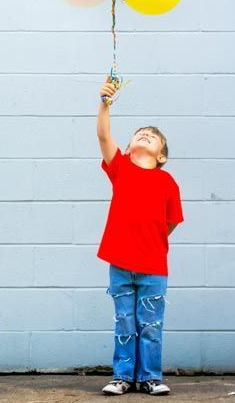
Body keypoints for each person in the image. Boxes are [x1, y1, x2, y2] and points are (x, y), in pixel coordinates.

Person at [95, 76, 183, 396]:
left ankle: (149, 376)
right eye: (140, 133)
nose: (145, 134)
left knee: (150, 325)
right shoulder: (120, 169)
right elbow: (104, 135)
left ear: (161, 155)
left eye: (153, 136)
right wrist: (104, 102)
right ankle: (122, 376)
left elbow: (171, 222)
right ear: (129, 147)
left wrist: (150, 239)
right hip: (120, 264)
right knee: (125, 324)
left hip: (153, 268)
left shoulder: (168, 182)